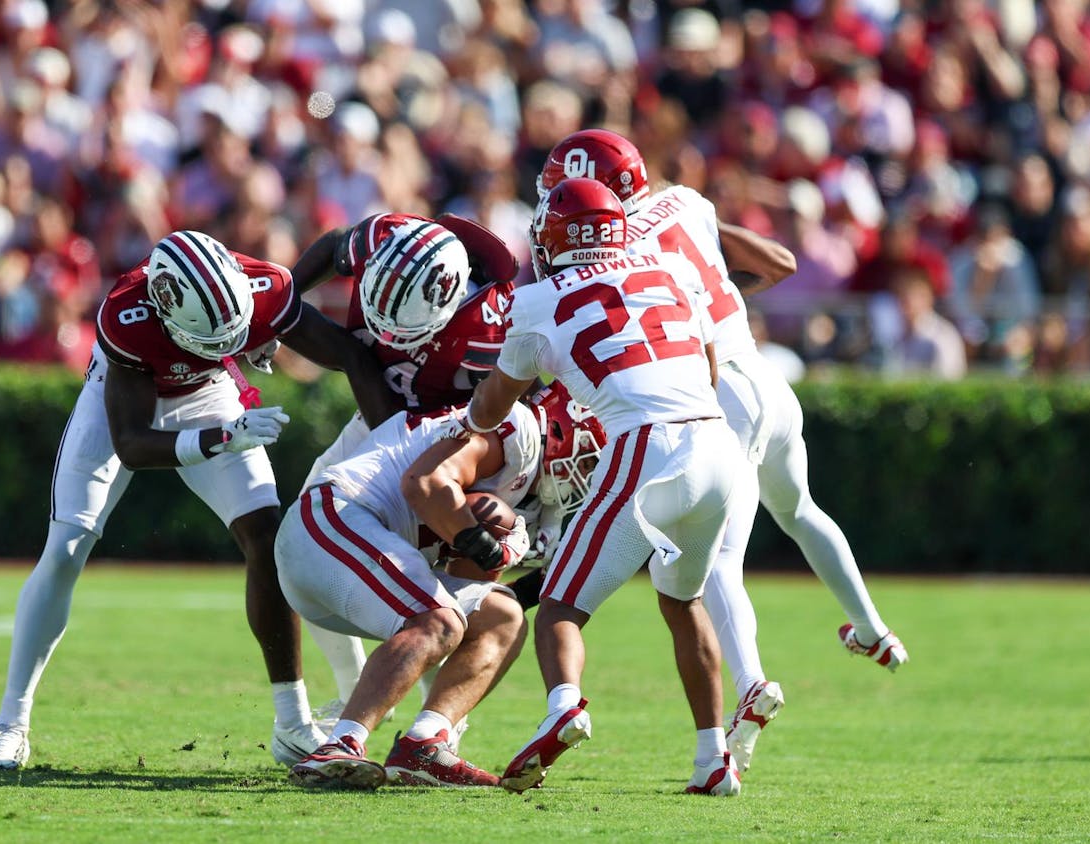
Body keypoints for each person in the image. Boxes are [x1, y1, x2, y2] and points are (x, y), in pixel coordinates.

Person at [537, 129, 910, 776]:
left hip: (712, 389)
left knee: (716, 561)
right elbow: (781, 263)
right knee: (800, 511)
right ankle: (874, 630)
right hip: (765, 375)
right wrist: (724, 299)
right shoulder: (685, 201)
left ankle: (752, 683)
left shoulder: (610, 250)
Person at [0, 230, 392, 771]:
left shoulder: (261, 286)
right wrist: (221, 438)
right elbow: (132, 444)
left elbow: (347, 350)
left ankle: (293, 724)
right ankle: (11, 723)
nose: (234, 342)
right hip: (125, 403)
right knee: (66, 546)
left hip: (212, 392)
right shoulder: (128, 315)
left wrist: (397, 445)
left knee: (271, 538)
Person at [449, 178, 744, 796]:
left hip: (647, 445)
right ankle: (712, 759)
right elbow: (709, 368)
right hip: (718, 445)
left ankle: (564, 708)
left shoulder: (535, 302)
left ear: (553, 237)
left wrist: (463, 430)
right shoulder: (669, 268)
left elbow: (493, 403)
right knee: (683, 601)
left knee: (559, 603)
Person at [279, 382, 605, 790]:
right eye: (590, 459)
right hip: (333, 521)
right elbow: (424, 483)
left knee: (503, 618)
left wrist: (519, 569)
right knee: (438, 621)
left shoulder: (535, 494)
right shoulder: (514, 429)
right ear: (563, 427)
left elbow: (471, 590)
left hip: (353, 569)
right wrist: (488, 548)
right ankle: (341, 743)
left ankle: (425, 744)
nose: (588, 474)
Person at [285, 213, 524, 713]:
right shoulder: (391, 237)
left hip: (435, 436)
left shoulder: (489, 325)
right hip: (378, 417)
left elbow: (503, 409)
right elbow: (333, 246)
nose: (388, 333)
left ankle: (437, 714)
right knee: (305, 541)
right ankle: (358, 689)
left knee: (461, 561)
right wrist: (283, 300)